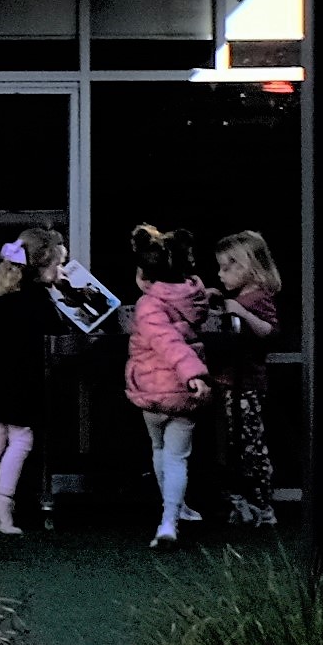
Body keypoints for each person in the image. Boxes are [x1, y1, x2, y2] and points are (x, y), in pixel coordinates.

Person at [0, 221, 112, 534]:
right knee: (22, 440)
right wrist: (67, 290)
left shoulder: (12, 293)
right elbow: (69, 324)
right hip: (19, 380)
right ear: (44, 265)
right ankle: (1, 503)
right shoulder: (37, 300)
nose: (63, 269)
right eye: (60, 263)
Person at [118, 226, 215, 546]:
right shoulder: (195, 297)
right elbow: (180, 338)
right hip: (183, 395)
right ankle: (173, 515)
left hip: (153, 392)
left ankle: (168, 518)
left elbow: (167, 341)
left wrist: (191, 373)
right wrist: (193, 377)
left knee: (160, 450)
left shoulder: (148, 306)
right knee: (178, 457)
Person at [200, 231, 290, 532]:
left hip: (245, 386)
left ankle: (263, 505)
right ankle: (241, 505)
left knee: (250, 446)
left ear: (248, 266)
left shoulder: (257, 300)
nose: (221, 273)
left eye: (227, 267)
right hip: (227, 384)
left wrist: (239, 312)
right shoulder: (237, 299)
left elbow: (269, 331)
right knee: (233, 446)